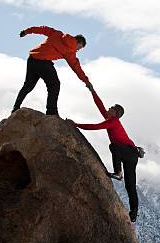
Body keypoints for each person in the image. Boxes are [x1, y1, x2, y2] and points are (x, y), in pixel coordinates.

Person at [69, 88, 140, 222]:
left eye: (111, 108)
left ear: (115, 113)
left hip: (129, 153)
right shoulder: (110, 119)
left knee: (114, 147)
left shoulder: (112, 121)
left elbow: (95, 127)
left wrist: (76, 124)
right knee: (130, 185)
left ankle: (118, 173)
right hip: (131, 154)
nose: (108, 108)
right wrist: (92, 91)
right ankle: (134, 211)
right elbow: (99, 105)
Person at [12, 26, 92, 116]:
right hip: (43, 63)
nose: (77, 50)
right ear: (78, 42)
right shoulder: (70, 52)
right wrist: (86, 81)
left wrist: (27, 31)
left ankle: (15, 108)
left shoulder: (57, 34)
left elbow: (43, 29)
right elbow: (76, 67)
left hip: (32, 59)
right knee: (54, 84)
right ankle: (51, 111)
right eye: (79, 47)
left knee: (28, 86)